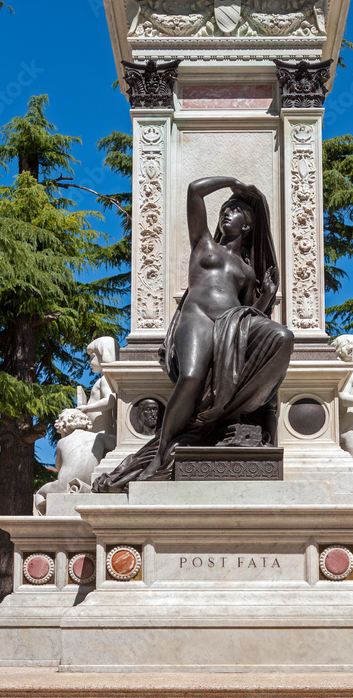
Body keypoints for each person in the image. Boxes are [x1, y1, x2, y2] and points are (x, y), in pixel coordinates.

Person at [95, 177, 294, 491]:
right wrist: (232, 183)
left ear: (247, 226)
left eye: (235, 210)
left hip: (229, 324)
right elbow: (193, 190)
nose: (226, 213)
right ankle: (160, 455)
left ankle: (231, 412)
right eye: (224, 210)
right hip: (197, 319)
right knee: (190, 377)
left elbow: (249, 318)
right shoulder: (204, 243)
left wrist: (267, 296)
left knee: (283, 337)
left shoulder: (247, 270)